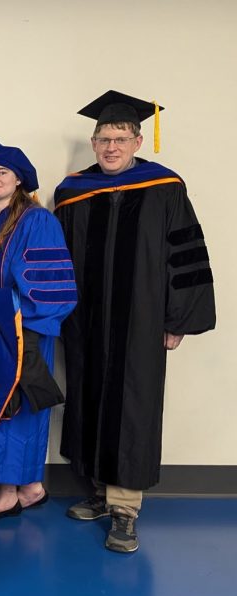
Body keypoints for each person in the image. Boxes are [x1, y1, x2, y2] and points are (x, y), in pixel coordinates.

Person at [54, 91, 215, 553]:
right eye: (103, 138)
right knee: (88, 397)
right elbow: (56, 258)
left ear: (138, 141)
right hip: (85, 321)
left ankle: (125, 509)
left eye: (120, 138)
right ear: (93, 141)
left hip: (140, 320)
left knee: (132, 403)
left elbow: (183, 255)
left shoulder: (165, 188)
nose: (111, 147)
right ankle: (100, 494)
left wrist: (177, 318)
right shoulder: (73, 192)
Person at [0, 141, 77, 522]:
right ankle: (30, 488)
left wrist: (14, 313)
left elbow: (49, 283)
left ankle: (8, 493)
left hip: (21, 326)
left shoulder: (36, 220)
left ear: (19, 180)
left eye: (2, 172)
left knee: (15, 407)